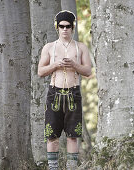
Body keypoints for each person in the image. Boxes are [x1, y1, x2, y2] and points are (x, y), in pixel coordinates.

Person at [38, 10, 91, 170]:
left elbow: (88, 71)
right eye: (62, 26)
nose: (65, 29)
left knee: (73, 136)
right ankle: (53, 168)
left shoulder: (81, 47)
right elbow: (40, 71)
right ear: (57, 27)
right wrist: (56, 64)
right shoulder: (49, 47)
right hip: (54, 93)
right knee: (51, 135)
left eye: (68, 26)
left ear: (73, 27)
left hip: (73, 93)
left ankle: (71, 167)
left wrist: (74, 65)